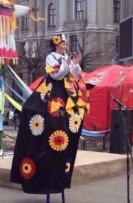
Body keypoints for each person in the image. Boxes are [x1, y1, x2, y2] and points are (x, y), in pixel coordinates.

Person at [10, 34, 92, 194]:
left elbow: (75, 75)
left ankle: (60, 170)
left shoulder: (64, 57)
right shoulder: (51, 57)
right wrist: (67, 63)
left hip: (65, 93)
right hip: (52, 92)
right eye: (63, 43)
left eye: (65, 43)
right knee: (47, 120)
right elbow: (56, 75)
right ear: (56, 45)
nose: (65, 45)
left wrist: (75, 63)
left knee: (70, 121)